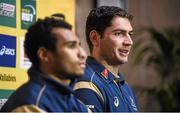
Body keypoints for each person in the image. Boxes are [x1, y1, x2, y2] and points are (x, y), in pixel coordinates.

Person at [0, 14, 90, 112]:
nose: (83, 54)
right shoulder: (31, 105)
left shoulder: (71, 99)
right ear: (44, 55)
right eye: (71, 46)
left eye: (79, 45)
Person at [74, 6, 138, 112]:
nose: (129, 42)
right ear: (95, 38)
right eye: (119, 33)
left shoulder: (125, 86)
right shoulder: (87, 84)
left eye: (129, 34)